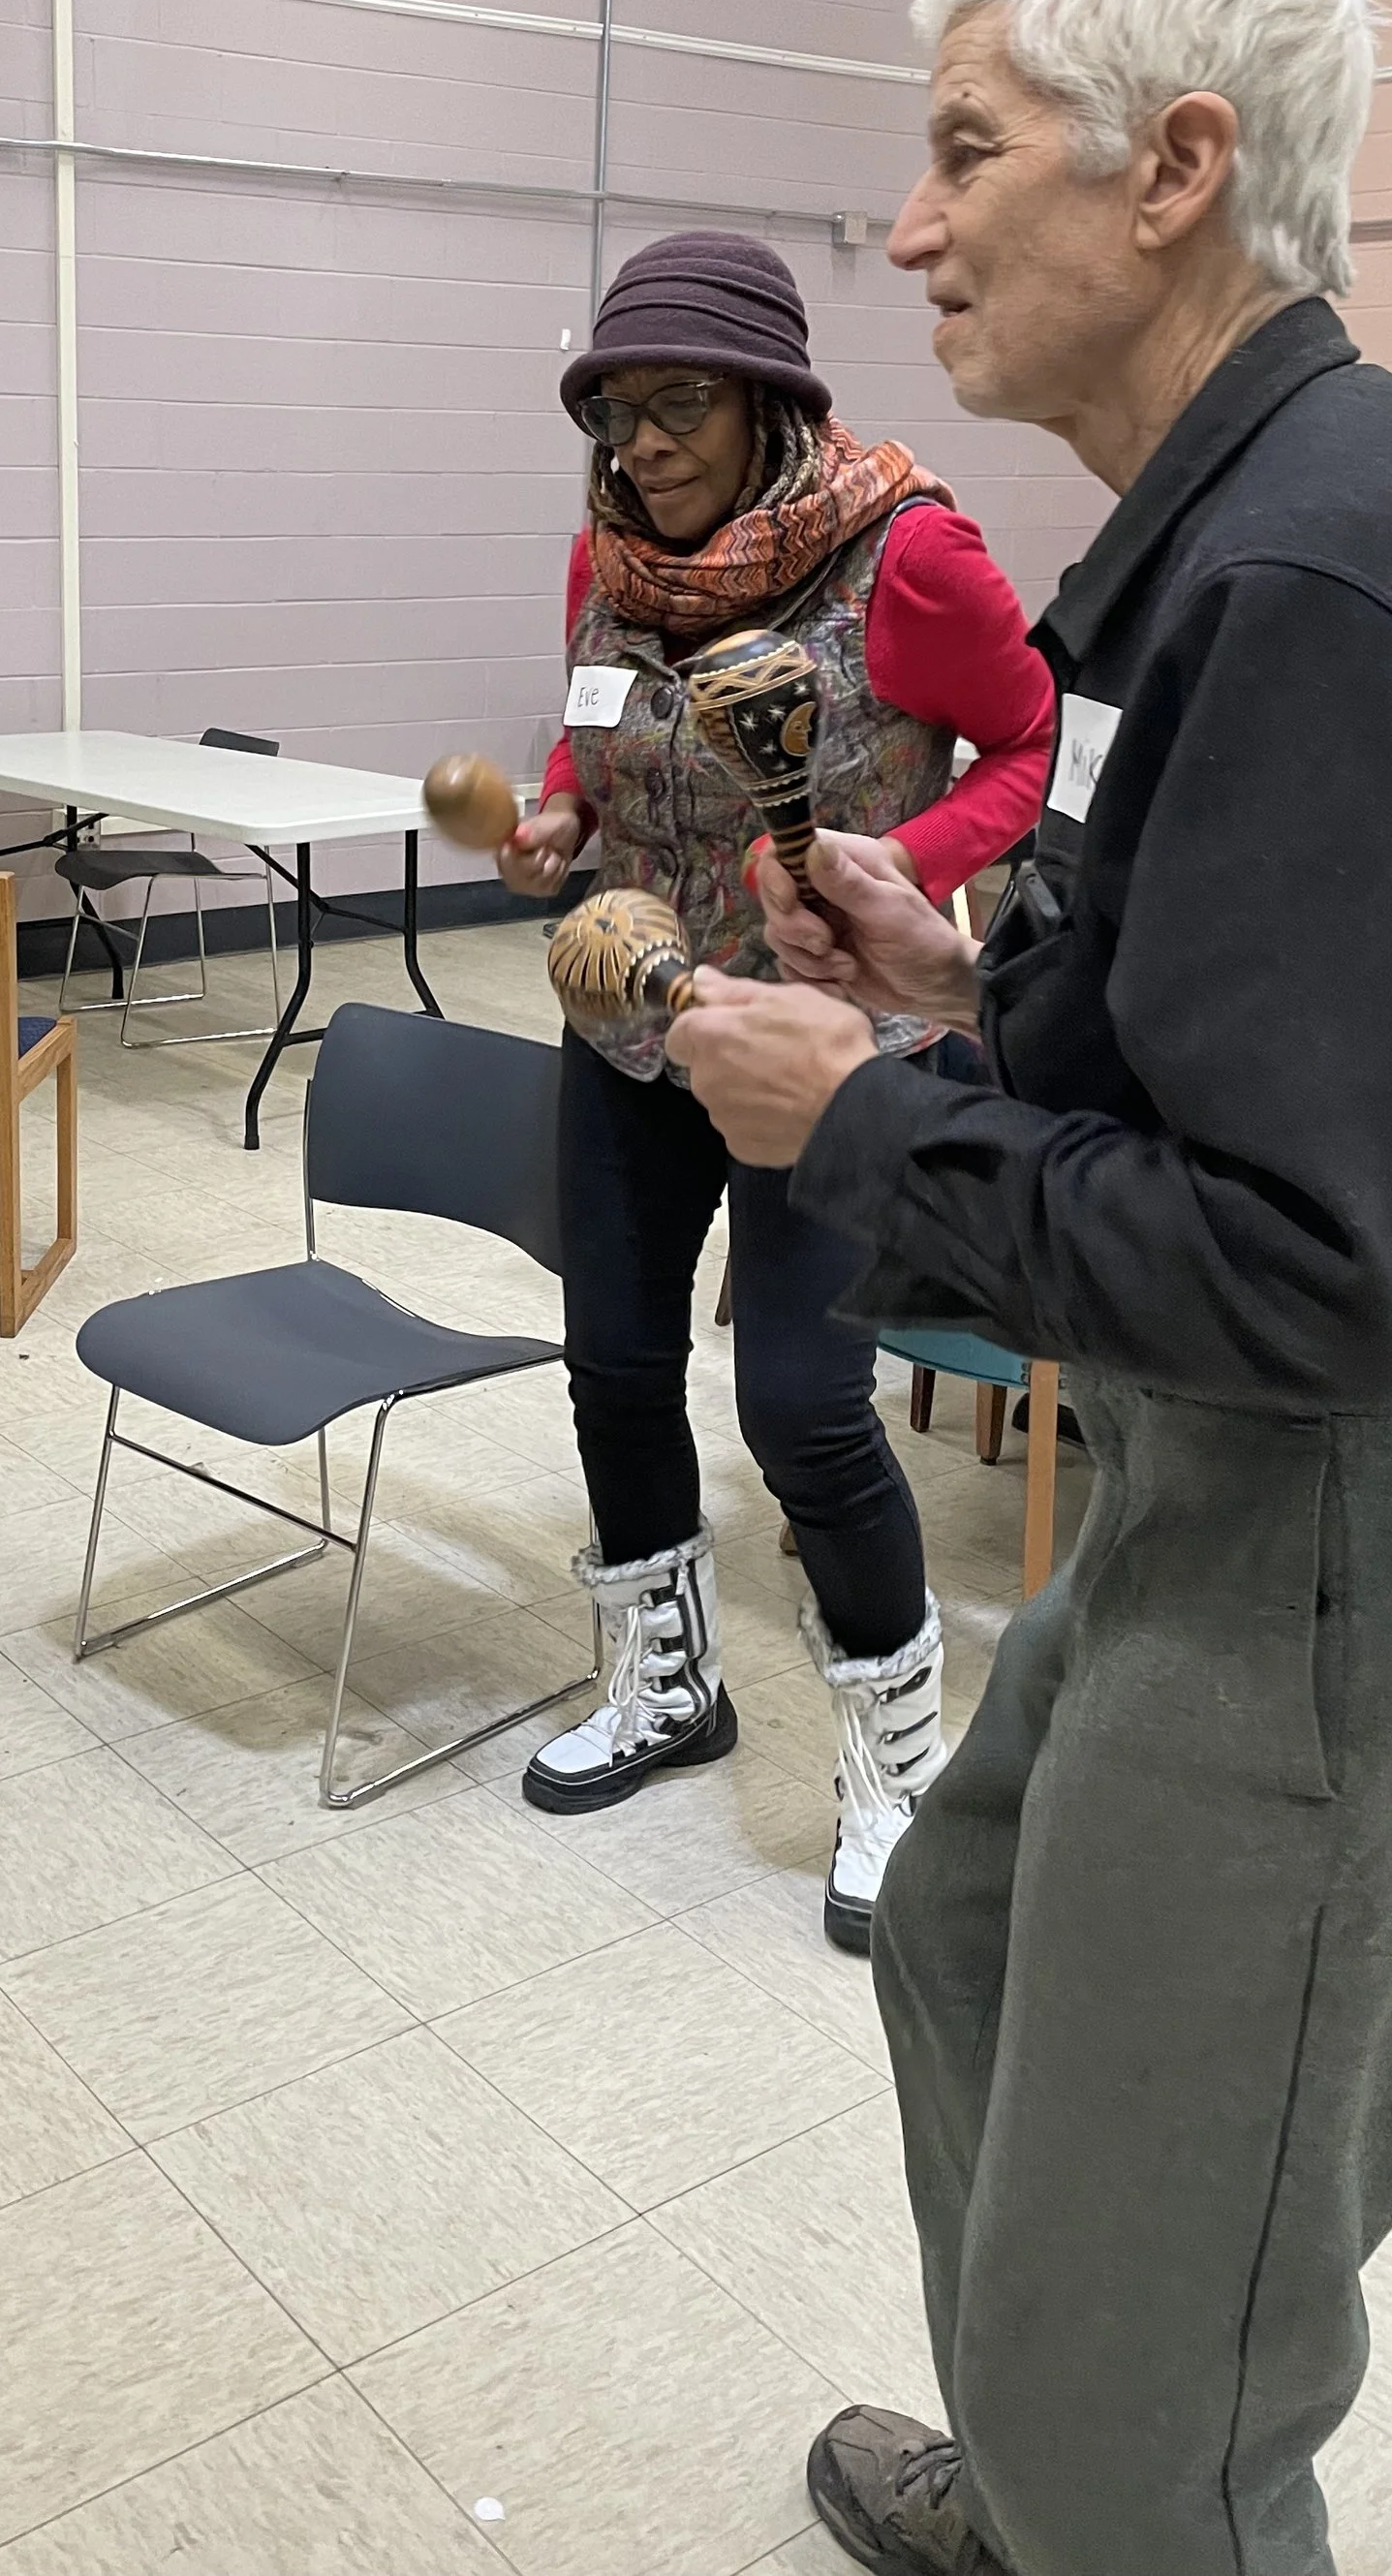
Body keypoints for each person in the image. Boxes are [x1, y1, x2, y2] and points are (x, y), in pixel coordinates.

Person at [668, 0, 1392, 2576]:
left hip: (1349, 1516)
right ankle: (1051, 2482)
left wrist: (862, 1125)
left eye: (959, 151)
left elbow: (1324, 1262)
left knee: (1160, 2378)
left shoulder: (1303, 566)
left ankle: (1100, 2491)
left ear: (1168, 169)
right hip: (1234, 1473)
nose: (903, 226)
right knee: (966, 1938)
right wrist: (952, 973)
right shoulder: (1232, 522)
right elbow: (1263, 1017)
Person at [498, 232, 1053, 1950]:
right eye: (614, 413)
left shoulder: (908, 552)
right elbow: (592, 731)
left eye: (680, 407)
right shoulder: (605, 552)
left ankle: (899, 1763)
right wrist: (555, 814)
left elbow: (1035, 744)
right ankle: (670, 1690)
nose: (643, 447)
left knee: (805, 1409)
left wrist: (903, 863)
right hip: (643, 1019)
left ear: (769, 405)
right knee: (613, 1362)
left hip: (829, 1049)